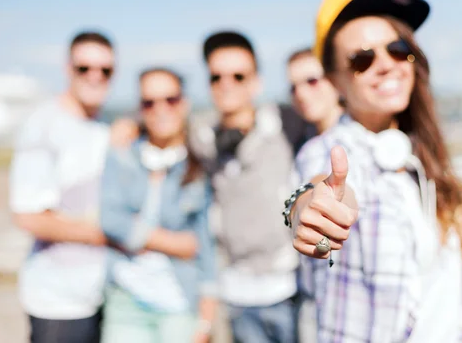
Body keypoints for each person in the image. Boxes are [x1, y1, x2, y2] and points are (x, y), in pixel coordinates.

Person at [285, 0, 462, 343]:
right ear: (335, 81)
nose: (385, 65)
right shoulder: (329, 150)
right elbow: (317, 187)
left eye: (397, 50)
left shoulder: (419, 156)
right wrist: (312, 208)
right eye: (361, 59)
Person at [188, 31, 307, 343]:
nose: (227, 84)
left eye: (238, 76)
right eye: (217, 77)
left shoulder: (287, 123)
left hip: (289, 291)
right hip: (237, 296)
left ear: (257, 82)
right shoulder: (202, 141)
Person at [9, 31, 127, 343]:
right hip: (57, 303)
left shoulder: (101, 127)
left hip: (99, 296)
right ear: (67, 69)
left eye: (105, 70)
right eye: (84, 68)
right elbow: (28, 216)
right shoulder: (43, 125)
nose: (95, 77)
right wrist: (113, 234)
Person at [99, 68, 217, 343]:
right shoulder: (122, 155)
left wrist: (206, 321)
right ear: (139, 108)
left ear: (184, 103)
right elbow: (110, 220)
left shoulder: (198, 166)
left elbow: (206, 246)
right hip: (125, 297)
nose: (160, 109)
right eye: (149, 102)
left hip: (178, 301)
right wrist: (174, 243)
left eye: (170, 100)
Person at [286, 48, 344, 343]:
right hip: (315, 299)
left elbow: (318, 184)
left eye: (312, 80)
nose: (301, 93)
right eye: (293, 86)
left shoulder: (335, 146)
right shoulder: (306, 142)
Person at [287, 48, 344, 137]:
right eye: (293, 88)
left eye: (312, 81)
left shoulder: (364, 134)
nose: (301, 94)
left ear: (335, 79)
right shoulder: (300, 143)